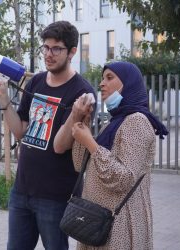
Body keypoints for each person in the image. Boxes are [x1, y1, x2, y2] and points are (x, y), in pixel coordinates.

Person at [0, 21, 96, 250]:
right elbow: (20, 132)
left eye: (56, 48)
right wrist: (4, 98)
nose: (49, 54)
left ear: (72, 52)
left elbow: (62, 146)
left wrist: (75, 114)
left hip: (56, 197)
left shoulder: (82, 93)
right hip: (21, 191)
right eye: (45, 47)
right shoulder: (35, 82)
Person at [71, 61, 169, 250]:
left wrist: (91, 143)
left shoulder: (137, 122)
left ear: (128, 83)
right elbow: (80, 165)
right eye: (102, 78)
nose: (101, 84)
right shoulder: (115, 122)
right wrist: (83, 126)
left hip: (119, 223)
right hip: (96, 220)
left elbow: (123, 179)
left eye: (109, 77)